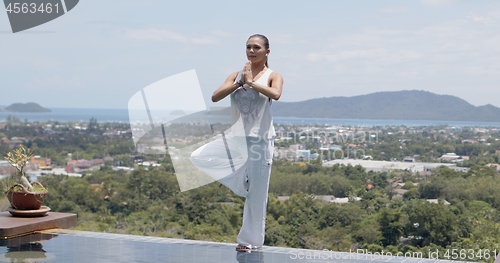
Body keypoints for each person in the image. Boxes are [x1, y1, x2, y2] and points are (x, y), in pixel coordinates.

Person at [190, 34, 283, 252]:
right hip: (236, 138)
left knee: (257, 199)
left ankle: (249, 241)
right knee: (199, 156)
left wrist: (251, 82)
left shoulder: (273, 75)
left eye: (257, 47)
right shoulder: (235, 75)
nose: (252, 51)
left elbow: (276, 94)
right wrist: (240, 81)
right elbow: (215, 97)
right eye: (248, 47)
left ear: (267, 52)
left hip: (260, 141)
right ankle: (243, 184)